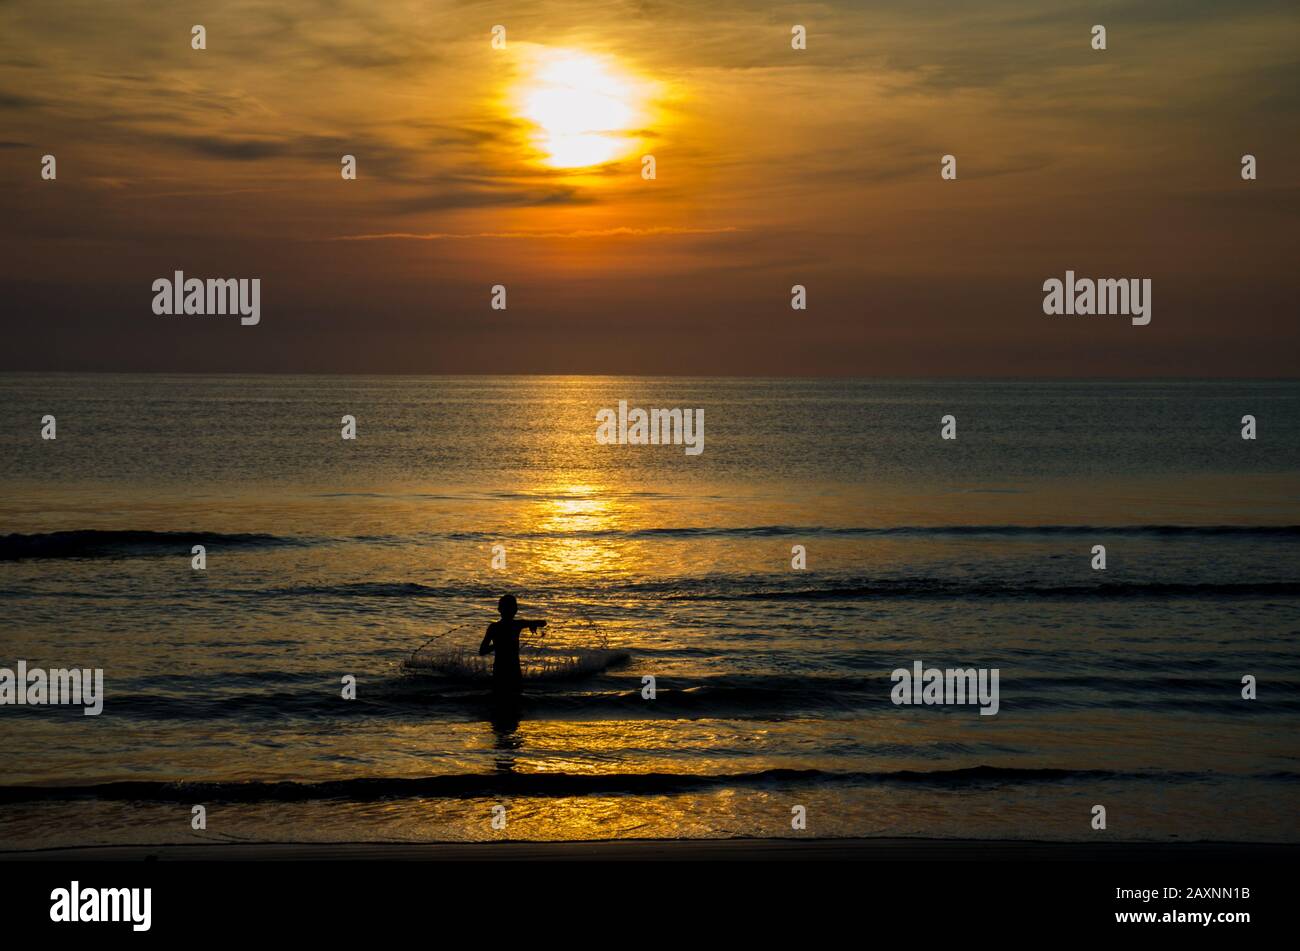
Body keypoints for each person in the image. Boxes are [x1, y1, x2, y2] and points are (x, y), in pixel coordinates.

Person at [478, 595, 546, 697]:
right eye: (507, 608)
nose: (508, 611)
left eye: (510, 608)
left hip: (506, 670)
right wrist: (497, 646)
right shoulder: (508, 625)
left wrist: (532, 624)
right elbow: (482, 651)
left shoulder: (510, 625)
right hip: (506, 670)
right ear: (500, 610)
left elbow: (543, 623)